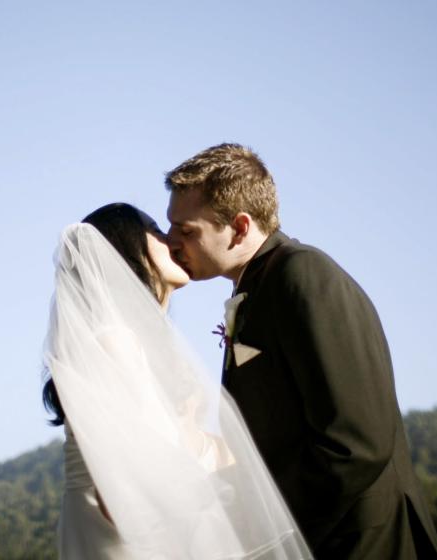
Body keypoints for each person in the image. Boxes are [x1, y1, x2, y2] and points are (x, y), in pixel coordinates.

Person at [165, 144, 437, 560]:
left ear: (240, 228)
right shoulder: (260, 288)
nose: (171, 242)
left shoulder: (303, 275)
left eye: (186, 231)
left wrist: (260, 524)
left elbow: (356, 442)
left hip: (361, 542)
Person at [42, 203, 311, 559]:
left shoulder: (137, 342)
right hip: (120, 541)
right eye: (154, 229)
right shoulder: (113, 341)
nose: (170, 239)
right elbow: (122, 488)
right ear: (124, 247)